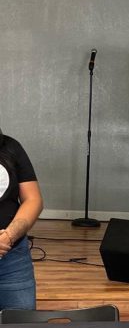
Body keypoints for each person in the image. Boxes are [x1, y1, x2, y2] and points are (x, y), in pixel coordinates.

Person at [0, 131, 44, 310]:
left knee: (21, 321)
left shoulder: (11, 147)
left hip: (12, 259)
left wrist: (8, 237)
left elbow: (33, 200)